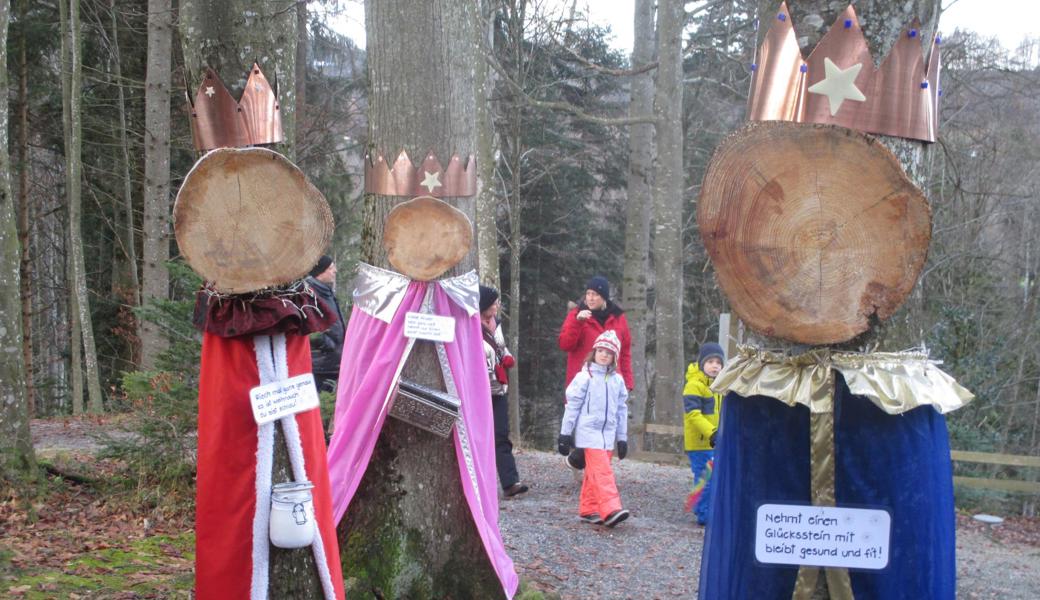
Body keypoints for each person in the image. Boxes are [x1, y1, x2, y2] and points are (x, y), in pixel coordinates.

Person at [557, 330, 630, 527]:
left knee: (593, 473)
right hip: (588, 432)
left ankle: (589, 509)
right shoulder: (584, 377)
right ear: (594, 351)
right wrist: (565, 433)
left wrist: (622, 439)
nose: (604, 354)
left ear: (614, 356)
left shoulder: (617, 381)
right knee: (603, 472)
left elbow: (622, 411)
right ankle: (611, 508)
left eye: (609, 352)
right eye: (601, 350)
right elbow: (571, 406)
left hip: (608, 434)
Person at [480, 285, 528, 498]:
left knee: (501, 434)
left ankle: (510, 482)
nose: (497, 306)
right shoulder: (470, 325)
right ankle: (480, 485)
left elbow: (500, 347)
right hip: (478, 391)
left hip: (498, 388)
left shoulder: (495, 324)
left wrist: (507, 356)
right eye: (493, 303)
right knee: (480, 438)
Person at [682, 342, 725, 526]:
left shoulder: (721, 387)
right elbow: (693, 415)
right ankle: (703, 513)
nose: (715, 365)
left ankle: (702, 507)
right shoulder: (694, 386)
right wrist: (711, 432)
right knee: (706, 477)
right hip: (700, 444)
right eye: (710, 362)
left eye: (718, 362)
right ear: (701, 364)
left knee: (712, 477)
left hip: (716, 441)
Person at [307, 255, 345, 394]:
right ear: (320, 272)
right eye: (330, 268)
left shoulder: (326, 292)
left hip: (333, 361)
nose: (335, 270)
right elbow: (308, 328)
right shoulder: (309, 294)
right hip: (320, 364)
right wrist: (328, 344)